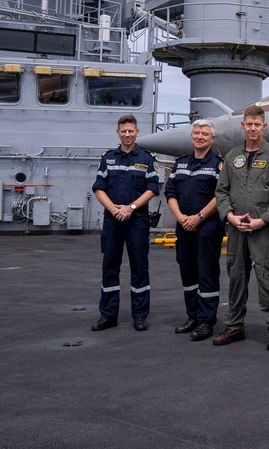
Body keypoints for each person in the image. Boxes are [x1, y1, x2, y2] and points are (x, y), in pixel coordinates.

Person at [213, 105, 269, 350]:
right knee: (236, 276)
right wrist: (230, 217)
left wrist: (263, 219)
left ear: (264, 126)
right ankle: (234, 325)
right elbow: (222, 191)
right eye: (249, 124)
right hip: (236, 229)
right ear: (243, 126)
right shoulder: (232, 156)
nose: (253, 128)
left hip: (264, 230)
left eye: (258, 124)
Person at [91, 114, 159, 332]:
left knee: (140, 267)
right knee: (110, 267)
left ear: (137, 132)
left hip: (137, 220)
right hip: (113, 220)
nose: (127, 134)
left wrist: (130, 209)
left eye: (131, 131)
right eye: (124, 131)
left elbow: (152, 189)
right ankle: (108, 315)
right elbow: (99, 188)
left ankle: (139, 315)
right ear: (118, 133)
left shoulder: (147, 158)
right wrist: (114, 210)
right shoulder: (108, 158)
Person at [164, 119, 224, 341]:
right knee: (187, 272)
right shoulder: (180, 164)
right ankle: (193, 315)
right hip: (184, 227)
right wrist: (180, 218)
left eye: (204, 134)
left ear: (212, 138)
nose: (200, 137)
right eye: (197, 133)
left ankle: (206, 320)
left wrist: (198, 217)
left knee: (207, 273)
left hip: (207, 227)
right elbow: (170, 192)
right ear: (192, 136)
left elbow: (221, 195)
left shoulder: (218, 164)